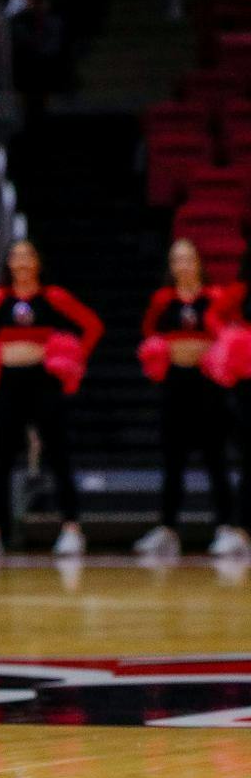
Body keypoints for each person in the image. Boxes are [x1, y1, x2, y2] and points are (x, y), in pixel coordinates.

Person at [0, 239, 104, 558]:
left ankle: (70, 528)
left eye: (28, 256)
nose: (22, 262)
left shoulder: (53, 297)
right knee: (0, 458)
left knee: (58, 454)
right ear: (8, 264)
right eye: (15, 257)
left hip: (44, 382)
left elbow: (92, 326)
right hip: (8, 383)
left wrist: (72, 359)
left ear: (38, 262)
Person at [134, 239, 249, 559]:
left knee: (216, 458)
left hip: (208, 386)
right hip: (175, 385)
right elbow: (149, 333)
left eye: (187, 260)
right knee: (173, 459)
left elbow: (227, 335)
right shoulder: (162, 299)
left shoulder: (214, 298)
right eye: (176, 261)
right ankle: (168, 529)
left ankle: (226, 526)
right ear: (170, 267)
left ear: (199, 264)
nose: (182, 266)